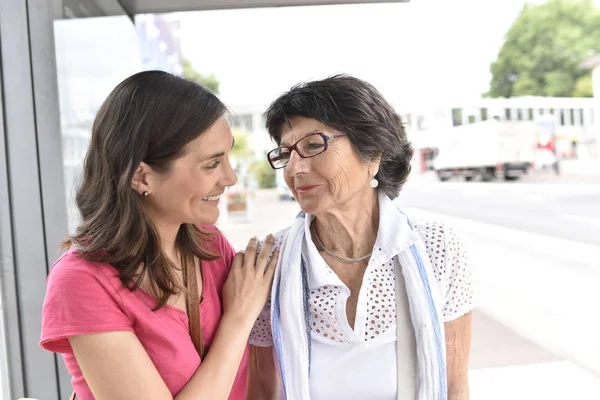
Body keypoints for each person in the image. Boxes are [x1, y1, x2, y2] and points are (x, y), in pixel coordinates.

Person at [40, 70, 278, 400]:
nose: (230, 178)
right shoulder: (81, 281)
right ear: (142, 177)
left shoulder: (207, 243)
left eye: (227, 157)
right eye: (212, 164)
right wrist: (238, 319)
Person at [247, 75, 475, 400]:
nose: (294, 169)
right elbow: (261, 391)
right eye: (285, 153)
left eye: (313, 145)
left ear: (373, 155)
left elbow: (454, 387)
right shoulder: (269, 261)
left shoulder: (436, 246)